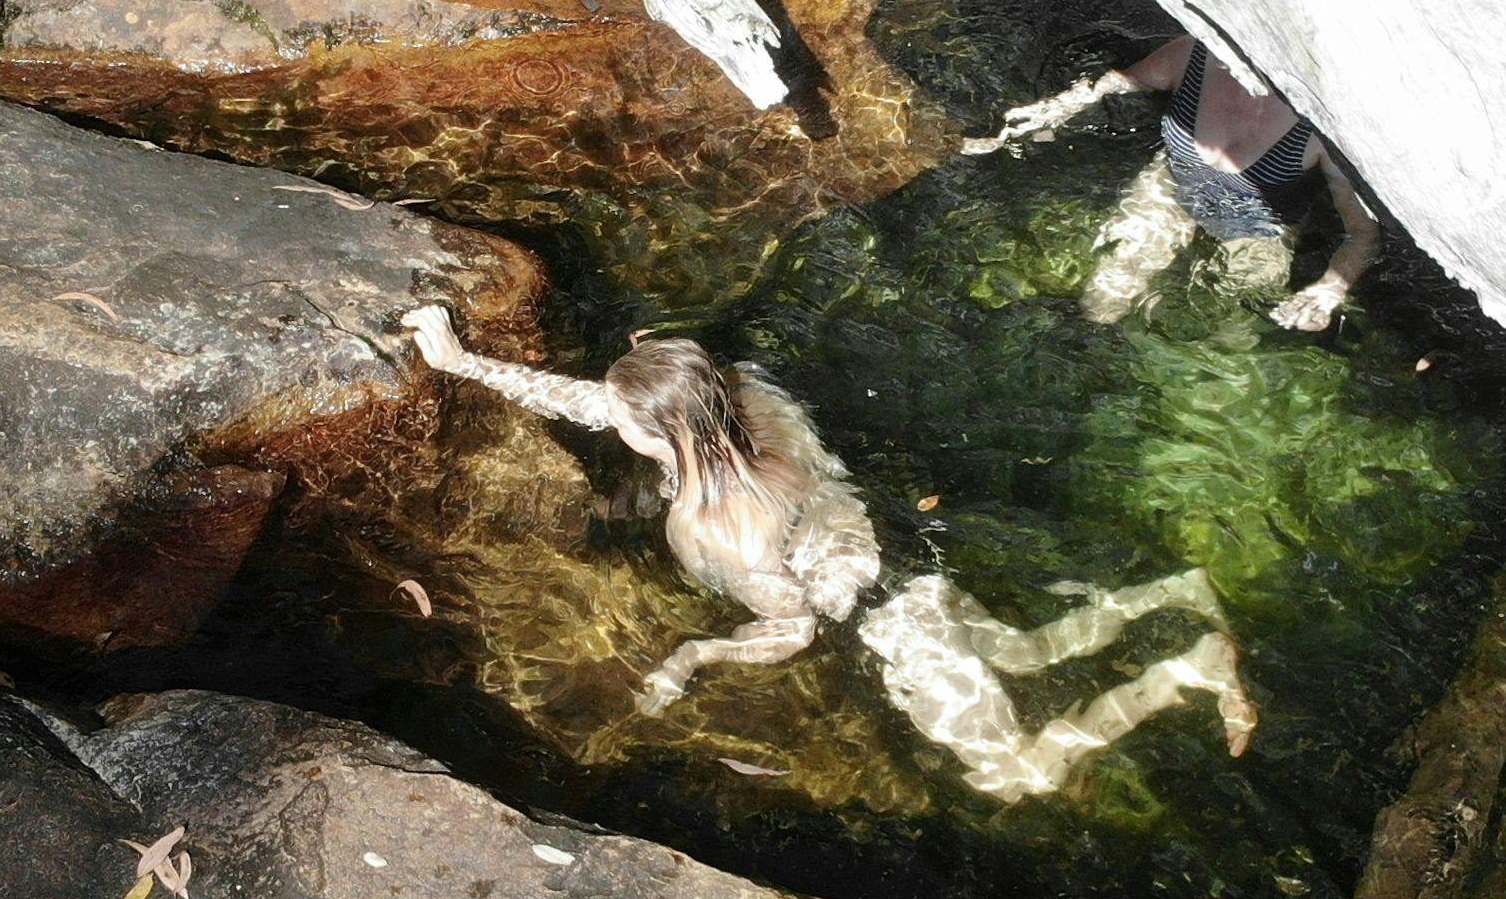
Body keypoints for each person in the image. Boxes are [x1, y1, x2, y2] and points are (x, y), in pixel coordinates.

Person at [400, 305, 1254, 801]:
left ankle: (1189, 669)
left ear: (659, 432)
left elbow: (797, 629)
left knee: (1016, 775)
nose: (607, 420)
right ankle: (1169, 592)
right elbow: (593, 402)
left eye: (623, 418)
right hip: (911, 570)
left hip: (885, 625)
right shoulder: (744, 401)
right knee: (1025, 652)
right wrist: (460, 360)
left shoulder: (718, 528)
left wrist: (694, 653)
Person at [965, 35, 1381, 331]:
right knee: (1103, 301)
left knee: (1232, 329)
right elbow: (1107, 87)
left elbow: (1363, 232)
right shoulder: (1194, 54)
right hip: (1172, 186)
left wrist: (1327, 292)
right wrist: (1028, 121)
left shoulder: (1325, 126)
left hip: (1258, 226)